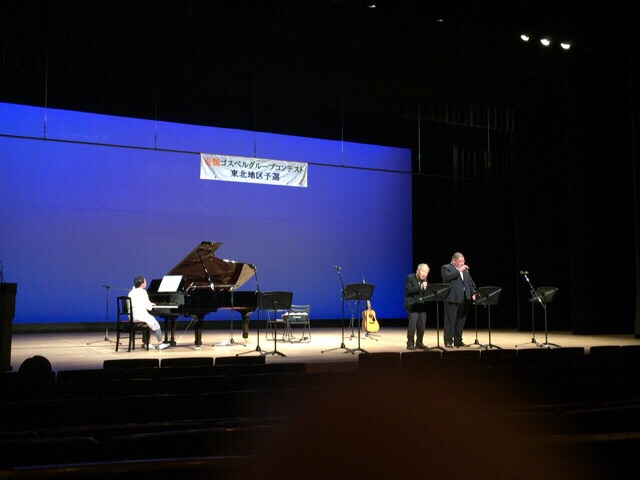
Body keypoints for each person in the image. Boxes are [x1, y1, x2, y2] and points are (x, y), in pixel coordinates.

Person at [441, 252, 476, 347]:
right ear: (454, 261)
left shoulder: (465, 270)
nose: (462, 263)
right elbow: (446, 277)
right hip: (452, 298)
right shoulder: (446, 267)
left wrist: (472, 292)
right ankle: (448, 341)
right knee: (450, 321)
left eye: (463, 261)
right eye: (460, 261)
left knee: (461, 320)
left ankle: (458, 340)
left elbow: (468, 282)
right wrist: (459, 270)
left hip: (465, 297)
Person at [128, 276, 170, 350]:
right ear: (142, 284)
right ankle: (160, 343)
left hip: (132, 316)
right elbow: (147, 306)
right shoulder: (143, 292)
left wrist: (148, 304)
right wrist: (151, 305)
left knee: (149, 321)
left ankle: (147, 343)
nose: (146, 283)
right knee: (155, 323)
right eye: (145, 281)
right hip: (140, 316)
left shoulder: (131, 292)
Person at [404, 263, 430, 350]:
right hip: (412, 305)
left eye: (426, 272)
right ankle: (410, 343)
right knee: (412, 325)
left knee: (422, 325)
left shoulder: (425, 279)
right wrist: (420, 286)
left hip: (421, 305)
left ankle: (419, 343)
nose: (424, 274)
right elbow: (409, 291)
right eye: (423, 272)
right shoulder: (410, 278)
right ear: (417, 271)